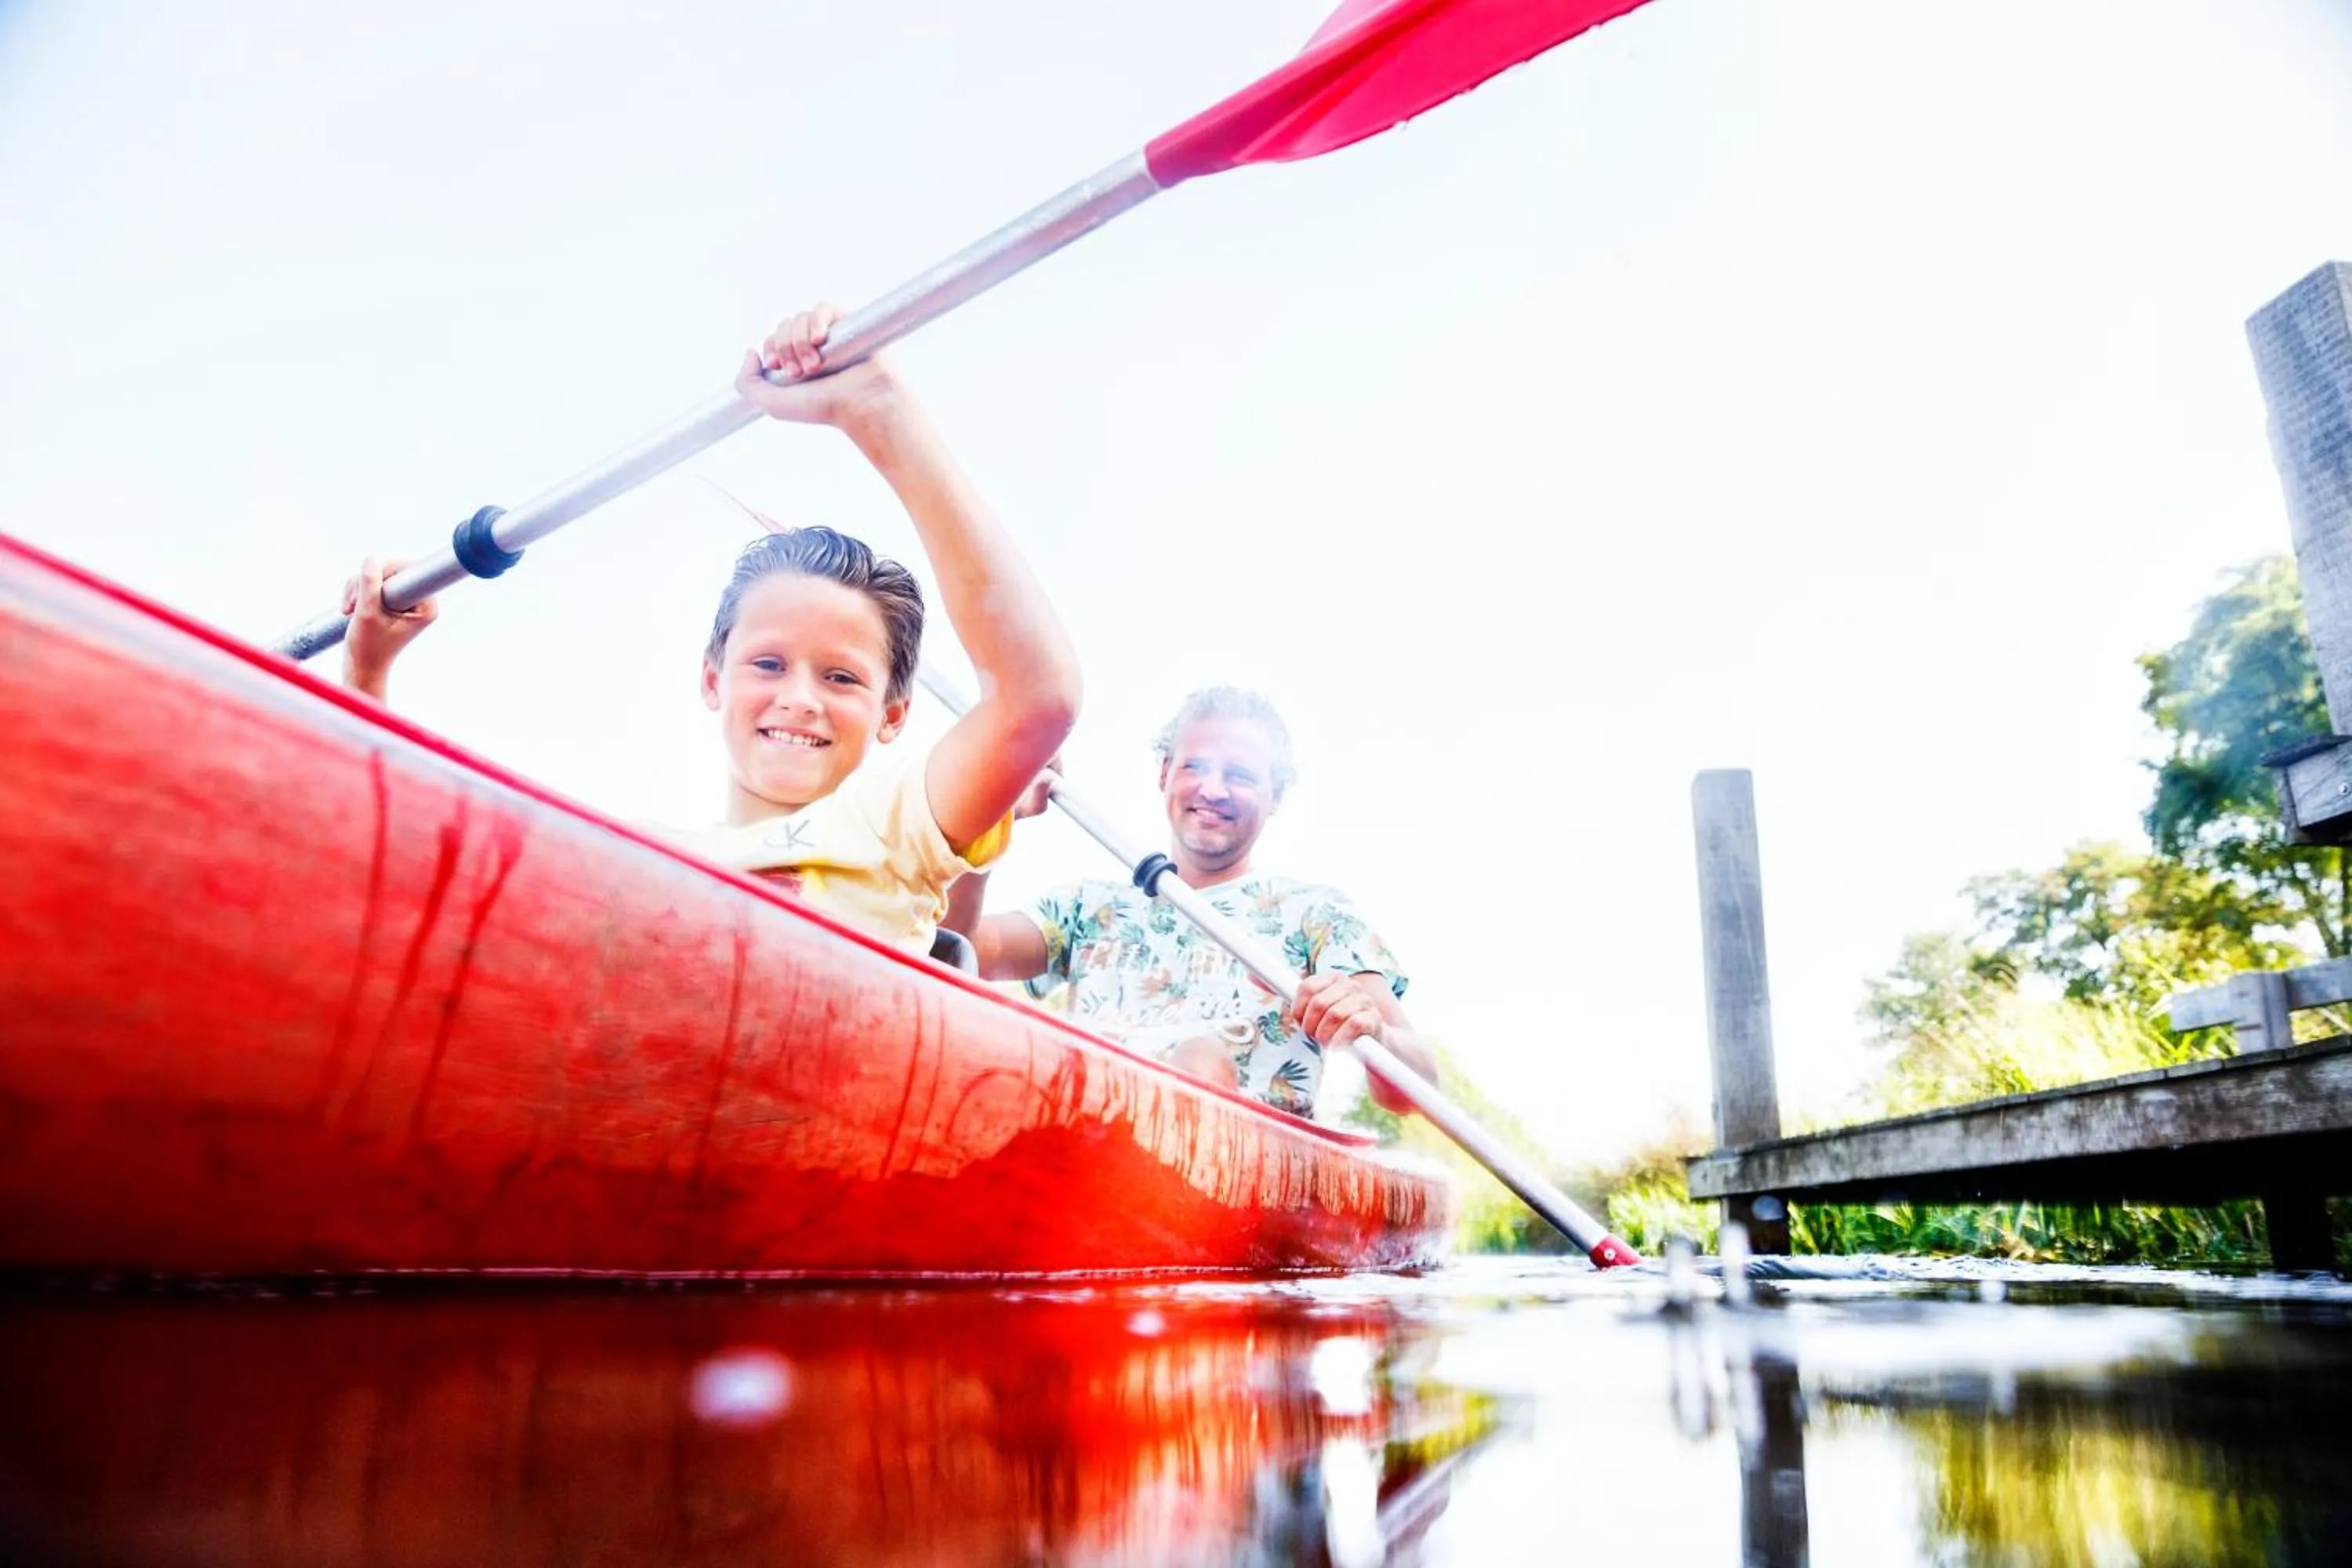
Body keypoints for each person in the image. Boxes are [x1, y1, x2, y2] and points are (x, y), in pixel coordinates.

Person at [337, 303, 1081, 956]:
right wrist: (368, 676)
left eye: (842, 676)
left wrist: (878, 411)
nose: (800, 698)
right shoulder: (640, 855)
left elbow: (1036, 698)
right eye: (767, 664)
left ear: (894, 714)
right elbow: (400, 877)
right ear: (710, 678)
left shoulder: (894, 822)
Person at [952, 688, 1437, 1118]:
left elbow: (1416, 1090)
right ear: (1165, 774)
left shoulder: (1316, 916)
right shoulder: (1087, 906)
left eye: (1241, 775)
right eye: (1195, 767)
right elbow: (957, 952)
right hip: (1083, 1139)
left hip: (1233, 1182)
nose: (1213, 789)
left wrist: (1374, 1032)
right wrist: (988, 810)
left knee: (1200, 1059)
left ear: (1276, 796)